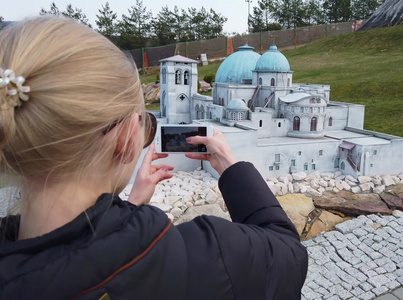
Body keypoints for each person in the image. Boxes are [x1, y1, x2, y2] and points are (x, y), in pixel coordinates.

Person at [0, 16, 308, 299]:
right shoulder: (202, 256)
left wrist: (130, 208)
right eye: (145, 125)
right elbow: (289, 255)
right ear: (124, 138)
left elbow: (73, 257)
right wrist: (232, 167)